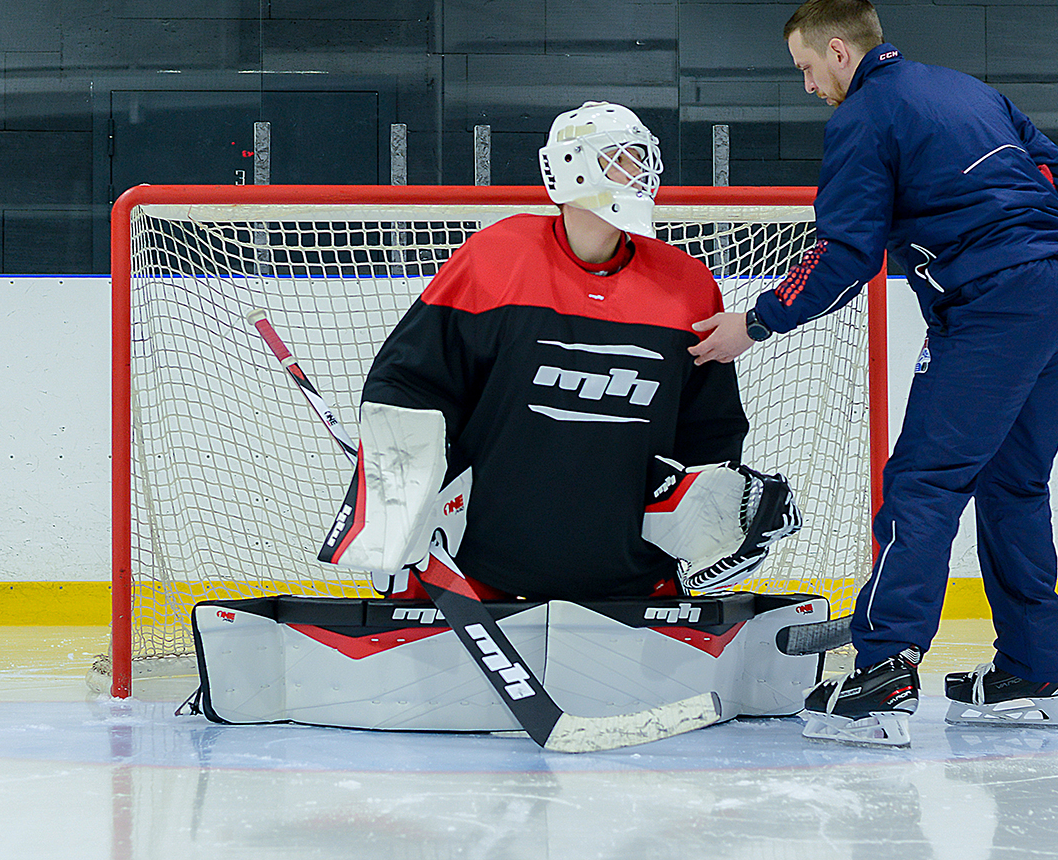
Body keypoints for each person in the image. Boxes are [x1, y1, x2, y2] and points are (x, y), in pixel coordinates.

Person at [690, 0, 1058, 747]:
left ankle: (885, 673)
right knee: (1014, 483)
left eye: (807, 67)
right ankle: (1033, 672)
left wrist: (756, 321)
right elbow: (1054, 177)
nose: (808, 85)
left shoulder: (863, 117)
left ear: (839, 51)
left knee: (924, 483)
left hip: (994, 305)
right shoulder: (970, 90)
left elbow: (846, 254)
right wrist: (997, 212)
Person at [337, 101, 792, 603]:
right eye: (620, 157)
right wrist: (393, 513)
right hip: (482, 574)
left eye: (642, 158)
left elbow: (711, 427)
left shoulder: (686, 285)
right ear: (570, 167)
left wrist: (718, 515)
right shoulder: (494, 260)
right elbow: (409, 385)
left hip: (632, 582)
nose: (638, 172)